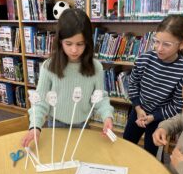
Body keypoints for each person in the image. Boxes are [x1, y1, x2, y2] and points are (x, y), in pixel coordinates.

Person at [22, 8, 114, 147]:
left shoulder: (96, 68)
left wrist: (107, 116)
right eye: (68, 44)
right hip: (55, 124)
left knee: (79, 157)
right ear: (60, 42)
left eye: (80, 44)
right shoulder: (49, 67)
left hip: (83, 124)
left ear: (87, 43)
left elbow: (100, 98)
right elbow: (40, 102)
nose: (74, 50)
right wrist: (35, 127)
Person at [123, 15, 183, 155]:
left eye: (166, 44)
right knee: (126, 144)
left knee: (151, 152)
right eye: (156, 42)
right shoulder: (144, 59)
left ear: (182, 44)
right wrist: (137, 107)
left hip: (159, 120)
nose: (159, 48)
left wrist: (154, 117)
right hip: (137, 112)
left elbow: (177, 105)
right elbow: (133, 84)